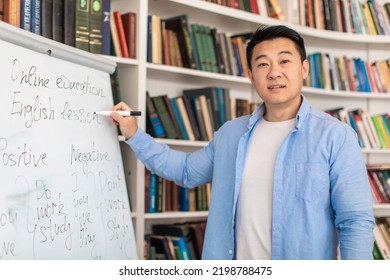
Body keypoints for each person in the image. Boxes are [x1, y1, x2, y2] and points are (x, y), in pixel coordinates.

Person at [110, 25, 375, 260]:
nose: (274, 73)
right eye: (263, 64)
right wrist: (133, 133)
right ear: (250, 74)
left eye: (284, 61)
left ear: (304, 69)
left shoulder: (336, 136)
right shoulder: (231, 134)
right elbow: (186, 171)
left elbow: (355, 222)